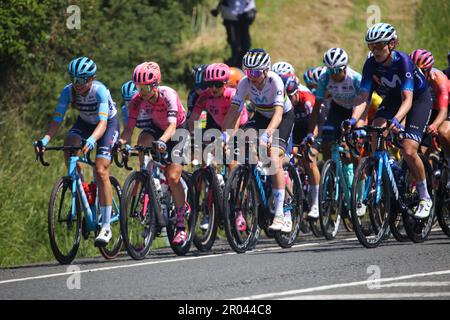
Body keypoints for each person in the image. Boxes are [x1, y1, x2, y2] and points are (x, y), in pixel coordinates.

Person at [342, 23, 433, 219]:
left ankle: (425, 197)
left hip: (417, 99)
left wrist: (397, 121)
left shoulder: (404, 62)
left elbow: (407, 99)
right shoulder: (370, 65)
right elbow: (363, 97)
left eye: (379, 46)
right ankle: (384, 170)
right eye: (371, 47)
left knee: (409, 150)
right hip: (392, 99)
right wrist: (353, 120)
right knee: (375, 130)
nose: (374, 51)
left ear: (392, 44)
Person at [34, 57, 120, 247]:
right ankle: (83, 189)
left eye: (82, 80)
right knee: (69, 145)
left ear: (92, 78)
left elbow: (103, 122)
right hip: (84, 124)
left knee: (100, 169)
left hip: (105, 125)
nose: (77, 84)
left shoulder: (100, 91)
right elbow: (57, 121)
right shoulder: (68, 92)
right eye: (74, 79)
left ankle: (106, 226)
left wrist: (91, 140)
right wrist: (45, 140)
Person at [222, 48, 295, 233]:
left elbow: (278, 114)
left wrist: (267, 135)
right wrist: (225, 135)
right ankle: (254, 182)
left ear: (265, 70)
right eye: (248, 72)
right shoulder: (245, 83)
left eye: (255, 72)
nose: (251, 76)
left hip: (283, 117)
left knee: (273, 157)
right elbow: (234, 111)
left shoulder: (275, 81)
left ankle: (280, 213)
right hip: (261, 115)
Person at [119, 61, 190, 245]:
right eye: (138, 87)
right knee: (142, 141)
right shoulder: (136, 100)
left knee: (173, 176)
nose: (140, 92)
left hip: (178, 130)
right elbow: (129, 128)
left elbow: (173, 125)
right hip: (157, 128)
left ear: (155, 84)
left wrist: (162, 142)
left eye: (144, 87)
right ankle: (145, 177)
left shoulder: (168, 94)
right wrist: (121, 142)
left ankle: (182, 225)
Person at [188, 63, 248, 231]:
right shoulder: (205, 96)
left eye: (218, 84)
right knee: (207, 163)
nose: (213, 88)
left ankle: (239, 211)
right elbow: (193, 117)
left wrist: (228, 139)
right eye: (209, 84)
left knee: (232, 163)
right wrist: (190, 136)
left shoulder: (232, 94)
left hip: (240, 127)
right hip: (218, 126)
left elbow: (236, 120)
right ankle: (210, 209)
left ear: (225, 83)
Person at [304, 48, 362, 219]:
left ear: (344, 67)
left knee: (355, 146)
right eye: (330, 70)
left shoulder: (355, 79)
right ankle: (333, 170)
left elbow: (363, 103)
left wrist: (355, 123)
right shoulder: (324, 78)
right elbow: (317, 106)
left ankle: (359, 194)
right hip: (337, 109)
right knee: (328, 138)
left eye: (336, 70)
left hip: (356, 109)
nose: (333, 74)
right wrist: (310, 133)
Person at [410, 49, 449, 158]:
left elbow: (443, 111)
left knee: (443, 132)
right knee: (419, 147)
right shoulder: (410, 77)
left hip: (445, 107)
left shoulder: (439, 80)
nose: (417, 74)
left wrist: (435, 125)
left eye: (421, 71)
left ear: (429, 69)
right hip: (430, 107)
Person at [211, 0, 256, 67]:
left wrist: (251, 11)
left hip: (244, 14)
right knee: (235, 44)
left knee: (245, 45)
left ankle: (239, 64)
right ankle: (233, 64)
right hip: (230, 15)